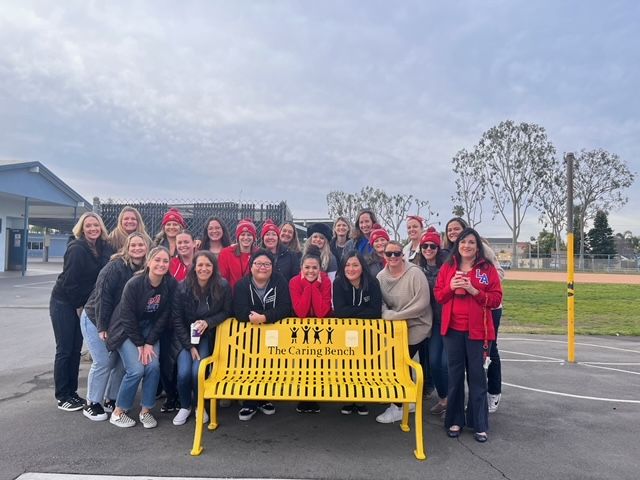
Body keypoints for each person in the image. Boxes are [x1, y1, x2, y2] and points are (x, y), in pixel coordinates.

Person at [434, 228, 502, 443]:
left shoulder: (487, 269)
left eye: (471, 242)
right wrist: (451, 287)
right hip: (452, 331)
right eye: (463, 242)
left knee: (477, 377)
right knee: (454, 376)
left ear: (477, 246)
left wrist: (474, 290)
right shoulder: (448, 267)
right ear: (458, 245)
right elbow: (439, 295)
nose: (467, 246)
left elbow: (495, 299)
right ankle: (454, 420)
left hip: (478, 332)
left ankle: (479, 423)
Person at [106, 246, 178, 428]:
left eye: (165, 261)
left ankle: (146, 410)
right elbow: (127, 316)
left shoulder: (170, 284)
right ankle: (118, 411)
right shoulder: (135, 284)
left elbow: (164, 317)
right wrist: (139, 343)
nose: (161, 264)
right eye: (157, 260)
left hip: (151, 331)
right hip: (127, 330)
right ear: (149, 262)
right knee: (136, 369)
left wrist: (149, 342)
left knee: (153, 366)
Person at [80, 232, 148, 421]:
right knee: (102, 361)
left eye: (141, 245)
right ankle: (92, 403)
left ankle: (111, 398)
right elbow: (103, 296)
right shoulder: (116, 266)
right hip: (96, 318)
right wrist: (102, 327)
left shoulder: (144, 268)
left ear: (146, 247)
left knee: (119, 362)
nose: (137, 249)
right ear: (126, 247)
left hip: (118, 323)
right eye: (133, 245)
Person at [50, 212, 113, 412]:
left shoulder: (101, 247)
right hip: (65, 302)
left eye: (96, 225)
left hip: (81, 303)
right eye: (89, 226)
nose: (93, 229)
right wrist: (80, 308)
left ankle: (72, 392)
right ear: (82, 228)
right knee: (65, 348)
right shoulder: (77, 248)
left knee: (76, 348)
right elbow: (70, 283)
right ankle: (62, 396)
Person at [172, 250, 232, 426]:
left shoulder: (222, 286)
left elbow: (227, 311)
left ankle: (200, 406)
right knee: (183, 373)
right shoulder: (182, 287)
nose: (204, 269)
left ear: (213, 267)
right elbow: (176, 318)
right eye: (200, 265)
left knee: (198, 372)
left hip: (207, 336)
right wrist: (189, 345)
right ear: (194, 267)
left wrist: (208, 322)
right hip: (184, 337)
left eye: (208, 265)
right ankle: (185, 406)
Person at [375, 240, 432, 424]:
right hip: (395, 327)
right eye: (389, 254)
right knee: (389, 360)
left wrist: (396, 316)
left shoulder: (415, 273)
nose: (393, 257)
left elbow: (422, 303)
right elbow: (381, 302)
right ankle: (407, 400)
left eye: (397, 253)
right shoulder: (381, 277)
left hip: (417, 324)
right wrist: (388, 315)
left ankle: (398, 406)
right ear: (384, 256)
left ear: (403, 254)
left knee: (399, 361)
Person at [233, 249, 292, 421]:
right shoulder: (242, 285)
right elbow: (239, 311)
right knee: (249, 364)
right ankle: (249, 401)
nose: (262, 267)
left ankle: (264, 398)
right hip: (249, 335)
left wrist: (264, 317)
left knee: (269, 364)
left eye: (267, 264)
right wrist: (258, 318)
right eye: (258, 264)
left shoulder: (279, 282)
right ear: (251, 267)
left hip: (273, 333)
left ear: (272, 267)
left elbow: (285, 307)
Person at [333, 250, 382, 416]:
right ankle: (348, 398)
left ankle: (360, 398)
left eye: (355, 265)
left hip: (366, 334)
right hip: (345, 334)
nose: (351, 269)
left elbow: (375, 312)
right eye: (347, 265)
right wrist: (362, 311)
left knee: (363, 365)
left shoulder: (372, 283)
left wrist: (351, 311)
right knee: (346, 366)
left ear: (362, 267)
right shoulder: (338, 283)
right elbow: (339, 312)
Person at [289, 245, 332, 414]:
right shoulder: (294, 282)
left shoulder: (326, 280)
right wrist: (309, 286)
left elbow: (322, 312)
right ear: (301, 268)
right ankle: (304, 396)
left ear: (320, 268)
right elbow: (300, 312)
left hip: (321, 328)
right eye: (307, 267)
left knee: (318, 362)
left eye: (315, 268)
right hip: (302, 328)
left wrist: (315, 287)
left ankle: (314, 396)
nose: (311, 271)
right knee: (302, 362)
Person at [160, 229, 197, 413]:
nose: (183, 245)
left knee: (192, 363)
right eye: (179, 242)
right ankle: (172, 396)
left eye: (186, 242)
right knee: (168, 359)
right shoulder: (171, 264)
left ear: (193, 244)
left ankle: (193, 398)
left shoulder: (200, 263)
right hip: (170, 318)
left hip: (195, 320)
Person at [417, 227, 448, 415]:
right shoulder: (418, 270)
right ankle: (444, 398)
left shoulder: (448, 267)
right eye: (425, 246)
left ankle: (452, 400)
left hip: (450, 321)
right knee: (434, 362)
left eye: (432, 246)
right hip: (433, 322)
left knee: (447, 363)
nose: (428, 249)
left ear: (438, 248)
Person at [218, 219, 258, 290]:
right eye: (242, 234)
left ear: (254, 237)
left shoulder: (259, 253)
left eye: (249, 235)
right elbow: (223, 279)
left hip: (253, 295)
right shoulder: (226, 253)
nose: (246, 238)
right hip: (232, 295)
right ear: (238, 237)